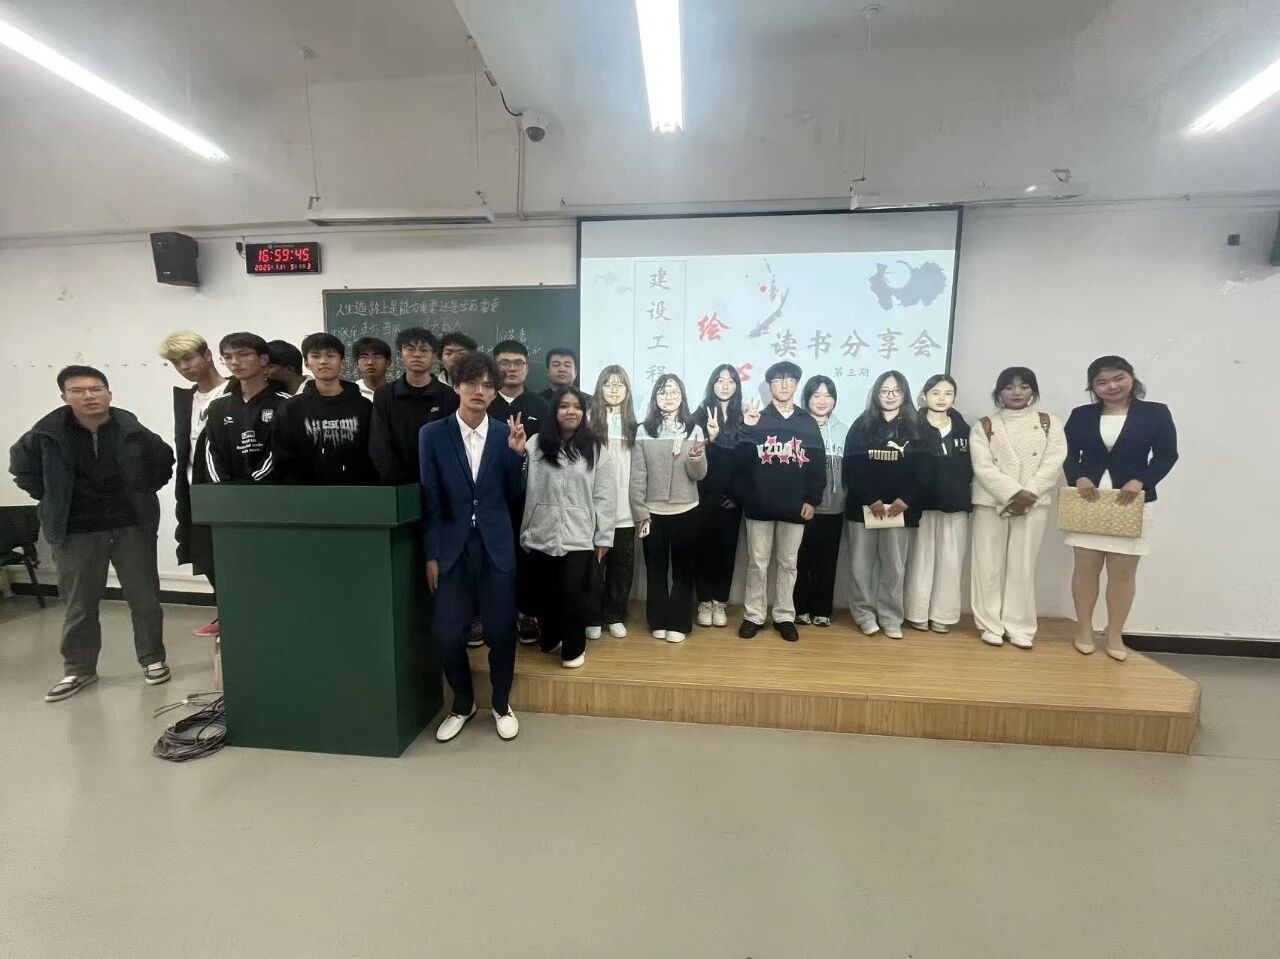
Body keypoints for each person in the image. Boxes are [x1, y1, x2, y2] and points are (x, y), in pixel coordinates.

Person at [9, 366, 175, 702]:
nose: (89, 396)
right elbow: (22, 469)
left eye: (96, 389)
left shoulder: (132, 430)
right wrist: (52, 497)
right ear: (64, 397)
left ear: (109, 394)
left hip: (130, 526)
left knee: (144, 599)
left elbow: (163, 461)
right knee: (80, 604)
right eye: (78, 391)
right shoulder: (45, 435)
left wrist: (142, 492)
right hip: (75, 530)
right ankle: (79, 670)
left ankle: (153, 659)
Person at [419, 352, 528, 743]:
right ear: (456, 386)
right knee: (448, 633)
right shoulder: (432, 434)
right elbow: (430, 499)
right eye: (471, 383)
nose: (479, 391)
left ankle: (501, 704)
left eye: (487, 385)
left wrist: (517, 456)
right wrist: (431, 553)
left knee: (501, 630)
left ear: (495, 392)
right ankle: (462, 704)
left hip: (495, 545)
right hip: (451, 548)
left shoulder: (504, 434)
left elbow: (513, 494)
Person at [1064, 356, 1178, 662]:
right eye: (1102, 382)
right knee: (1085, 567)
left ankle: (1114, 632)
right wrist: (1078, 476)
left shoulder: (1155, 413)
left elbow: (1167, 455)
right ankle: (1084, 628)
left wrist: (1142, 480)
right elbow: (1066, 453)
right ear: (1092, 387)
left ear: (1131, 377)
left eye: (1118, 378)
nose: (1111, 386)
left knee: (1123, 572)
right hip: (1088, 499)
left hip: (1131, 500)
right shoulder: (1081, 415)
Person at [969, 367, 1067, 649]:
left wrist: (1029, 493)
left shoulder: (1049, 422)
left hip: (1033, 504)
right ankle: (989, 624)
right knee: (987, 565)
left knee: (1022, 566)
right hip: (991, 503)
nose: (1016, 392)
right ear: (999, 392)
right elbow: (983, 467)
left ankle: (1020, 626)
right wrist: (1013, 493)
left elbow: (1054, 460)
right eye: (1009, 387)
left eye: (1024, 387)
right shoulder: (984, 425)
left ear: (1033, 391)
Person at [521, 387, 615, 668]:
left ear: (584, 413)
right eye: (564, 406)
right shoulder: (535, 444)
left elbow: (605, 496)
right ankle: (551, 637)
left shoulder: (595, 449)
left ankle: (574, 649)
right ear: (554, 411)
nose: (571, 411)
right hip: (540, 532)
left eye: (577, 407)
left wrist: (604, 536)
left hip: (579, 536)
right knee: (546, 593)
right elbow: (519, 485)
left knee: (573, 593)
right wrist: (515, 454)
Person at [736, 361, 825, 642]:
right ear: (769, 385)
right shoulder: (757, 417)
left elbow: (817, 464)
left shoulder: (807, 421)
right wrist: (747, 428)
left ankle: (784, 615)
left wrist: (812, 499)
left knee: (788, 563)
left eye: (789, 380)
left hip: (795, 505)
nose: (784, 384)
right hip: (759, 503)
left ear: (797, 385)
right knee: (757, 563)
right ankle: (754, 615)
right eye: (778, 380)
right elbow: (741, 462)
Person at [842, 371, 926, 640]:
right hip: (864, 508)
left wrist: (904, 499)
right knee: (860, 567)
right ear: (876, 394)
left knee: (894, 568)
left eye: (896, 391)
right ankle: (864, 615)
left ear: (905, 394)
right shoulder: (862, 424)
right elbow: (851, 466)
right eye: (884, 391)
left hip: (899, 510)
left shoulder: (918, 426)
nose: (890, 396)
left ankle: (891, 617)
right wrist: (871, 499)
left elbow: (924, 470)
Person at [157, 331, 226, 639]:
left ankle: (241, 613)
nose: (183, 367)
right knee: (203, 554)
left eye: (188, 358)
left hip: (226, 490)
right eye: (176, 363)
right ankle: (226, 612)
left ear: (207, 356)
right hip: (192, 490)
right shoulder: (186, 399)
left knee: (233, 556)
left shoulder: (233, 391)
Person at [630, 374, 707, 643]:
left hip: (687, 509)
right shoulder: (643, 430)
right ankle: (658, 620)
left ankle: (680, 622)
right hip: (653, 513)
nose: (669, 397)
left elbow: (699, 474)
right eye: (663, 392)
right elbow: (637, 476)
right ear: (655, 398)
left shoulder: (694, 429)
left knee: (684, 570)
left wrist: (696, 458)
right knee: (656, 570)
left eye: (674, 392)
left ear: (682, 397)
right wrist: (640, 512)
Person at [489, 340, 551, 645]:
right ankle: (490, 614)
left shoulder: (541, 406)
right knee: (493, 556)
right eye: (504, 362)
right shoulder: (485, 402)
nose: (511, 369)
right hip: (491, 495)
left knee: (529, 557)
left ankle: (527, 614)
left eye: (518, 363)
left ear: (527, 368)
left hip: (531, 497)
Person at [904, 375, 973, 634]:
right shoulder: (911, 426)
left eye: (947, 393)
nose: (941, 398)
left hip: (955, 504)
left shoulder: (965, 430)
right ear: (924, 396)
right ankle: (916, 612)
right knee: (920, 560)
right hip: (920, 505)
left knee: (951, 562)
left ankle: (943, 614)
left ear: (954, 397)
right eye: (935, 392)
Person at [272, 333, 377, 484]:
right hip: (306, 492)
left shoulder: (363, 406)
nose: (323, 361)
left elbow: (374, 452)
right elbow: (282, 456)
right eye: (315, 356)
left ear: (342, 362)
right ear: (307, 363)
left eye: (330, 356)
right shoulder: (291, 408)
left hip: (358, 491)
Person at [587, 365, 639, 637]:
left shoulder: (635, 424)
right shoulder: (588, 419)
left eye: (620, 385)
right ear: (600, 388)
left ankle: (615, 614)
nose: (614, 390)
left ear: (627, 390)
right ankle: (592, 617)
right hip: (596, 508)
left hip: (626, 508)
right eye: (609, 384)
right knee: (594, 567)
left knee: (622, 565)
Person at [368, 328, 458, 485]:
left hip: (440, 482)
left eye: (424, 350)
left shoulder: (450, 396)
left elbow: (453, 443)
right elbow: (379, 444)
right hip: (397, 485)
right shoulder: (384, 395)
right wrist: (398, 481)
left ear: (434, 357)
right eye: (410, 349)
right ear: (400, 355)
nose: (417, 355)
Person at [691, 364, 744, 629]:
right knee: (703, 549)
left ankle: (719, 601)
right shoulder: (698, 416)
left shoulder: (743, 418)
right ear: (712, 384)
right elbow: (693, 458)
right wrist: (712, 439)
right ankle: (704, 601)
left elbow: (746, 460)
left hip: (732, 500)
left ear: (737, 386)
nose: (725, 385)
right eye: (720, 380)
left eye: (731, 380)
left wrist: (735, 495)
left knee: (726, 551)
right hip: (703, 497)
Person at [205, 333, 295, 483]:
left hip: (274, 490)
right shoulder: (218, 406)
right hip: (227, 492)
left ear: (263, 359)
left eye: (243, 355)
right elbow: (213, 454)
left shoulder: (286, 403)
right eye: (227, 357)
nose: (234, 362)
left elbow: (282, 452)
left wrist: (250, 486)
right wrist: (224, 487)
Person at [794, 375, 847, 627]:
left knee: (827, 562)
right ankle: (800, 609)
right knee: (800, 561)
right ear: (807, 399)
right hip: (804, 508)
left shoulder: (844, 430)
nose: (822, 401)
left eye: (827, 395)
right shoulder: (799, 428)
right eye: (816, 395)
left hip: (834, 508)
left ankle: (822, 610)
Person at [353, 336, 391, 401]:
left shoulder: (397, 393)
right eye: (364, 357)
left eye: (376, 357)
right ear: (357, 364)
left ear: (388, 363)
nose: (370, 362)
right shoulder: (350, 393)